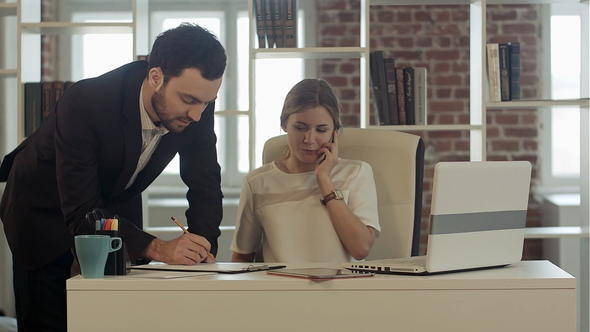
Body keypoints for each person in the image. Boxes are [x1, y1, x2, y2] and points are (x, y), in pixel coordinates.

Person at [0, 23, 226, 331]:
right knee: (49, 321)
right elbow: (81, 212)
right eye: (189, 100)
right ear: (156, 77)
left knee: (115, 318)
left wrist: (202, 246)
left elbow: (206, 185)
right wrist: (160, 248)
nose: (197, 114)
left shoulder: (196, 105)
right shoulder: (86, 102)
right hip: (42, 213)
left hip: (113, 207)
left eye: (207, 102)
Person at [230, 78, 380, 263]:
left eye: (321, 129)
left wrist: (324, 180)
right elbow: (241, 258)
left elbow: (360, 249)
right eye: (300, 128)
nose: (309, 139)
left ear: (335, 131)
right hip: (281, 289)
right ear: (285, 124)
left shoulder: (356, 173)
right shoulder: (257, 183)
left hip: (342, 288)